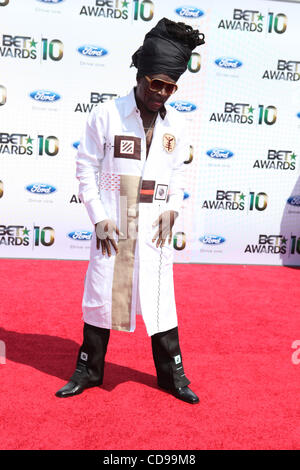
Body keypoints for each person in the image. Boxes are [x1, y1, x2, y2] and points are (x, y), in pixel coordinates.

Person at [56, 18, 205, 404]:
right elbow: (85, 167)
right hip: (114, 223)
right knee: (102, 296)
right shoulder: (106, 115)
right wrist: (98, 217)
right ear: (139, 76)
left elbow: (178, 175)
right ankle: (88, 370)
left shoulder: (177, 126)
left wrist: (173, 210)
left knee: (160, 299)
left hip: (154, 226)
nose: (161, 94)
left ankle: (173, 377)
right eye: (155, 83)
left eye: (169, 87)